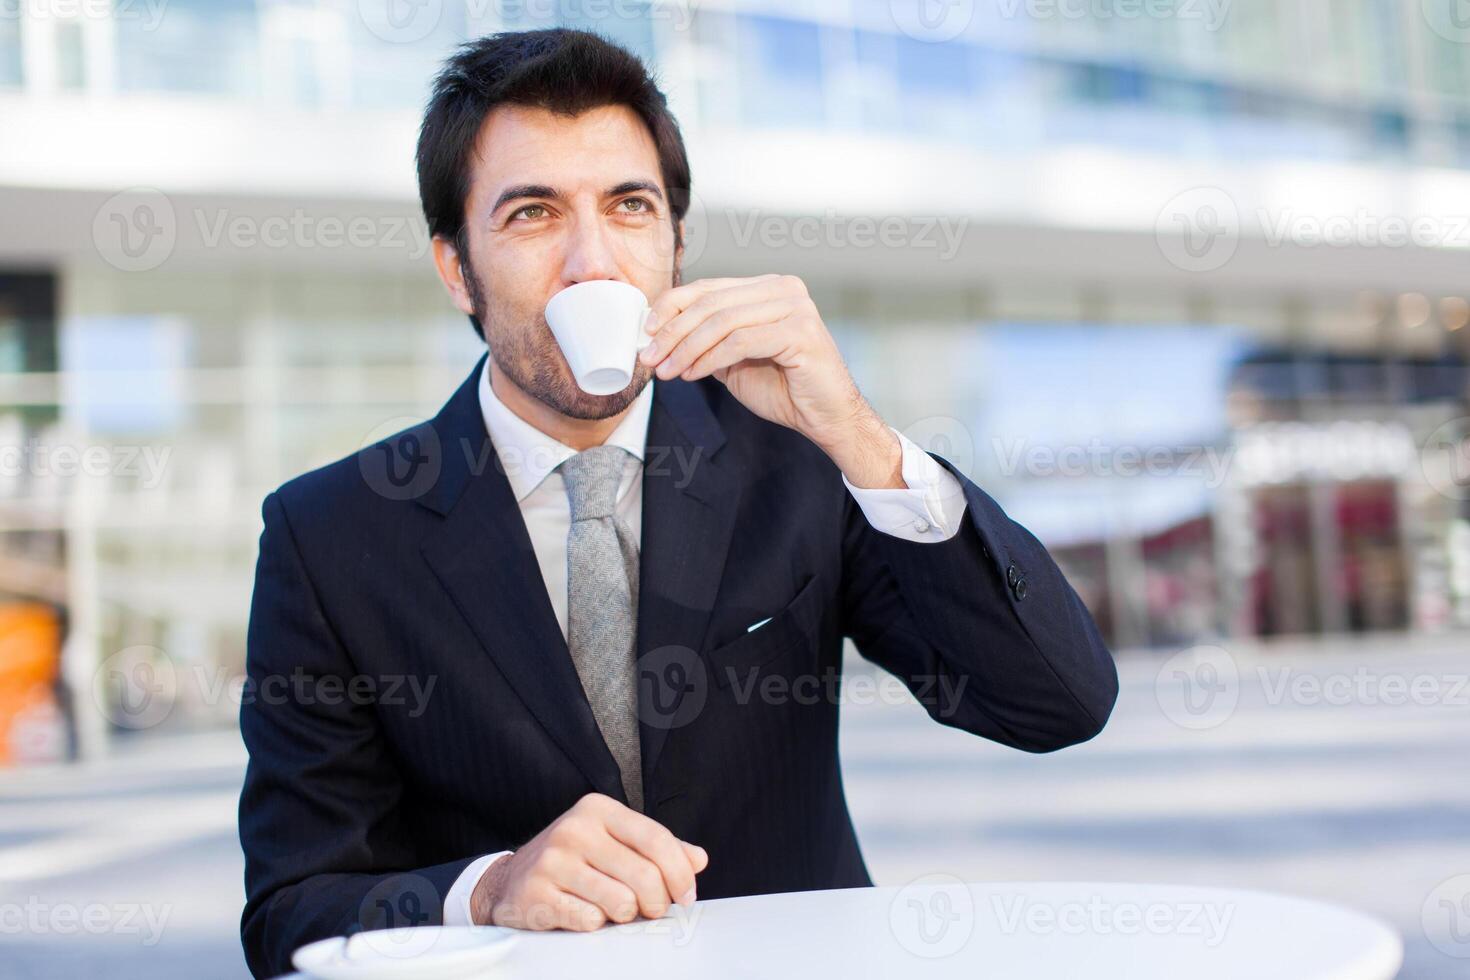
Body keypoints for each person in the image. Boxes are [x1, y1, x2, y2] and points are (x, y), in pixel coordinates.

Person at [237, 27, 1118, 979]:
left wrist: (855, 433)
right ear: (457, 269)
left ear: (676, 244)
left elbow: (1056, 704)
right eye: (532, 214)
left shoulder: (800, 460)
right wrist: (485, 891)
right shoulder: (329, 535)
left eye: (629, 206)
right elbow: (292, 913)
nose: (593, 262)